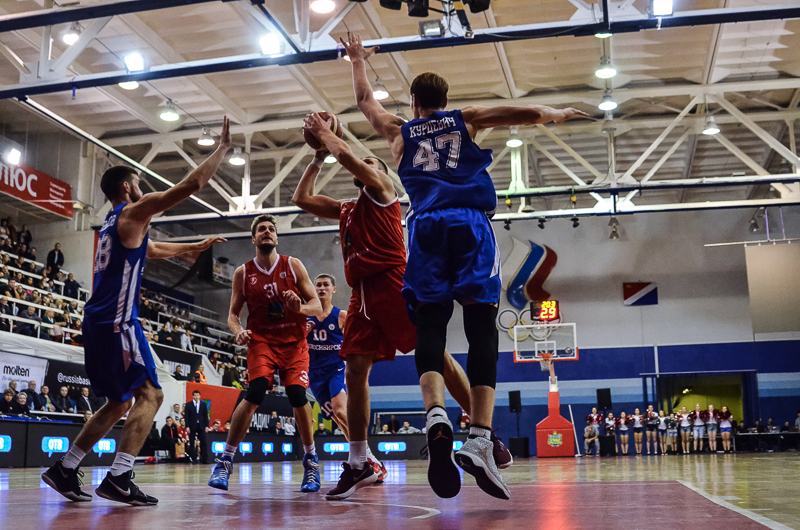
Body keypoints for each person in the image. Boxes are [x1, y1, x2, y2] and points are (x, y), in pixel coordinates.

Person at [339, 32, 586, 501]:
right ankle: (479, 437)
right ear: (445, 100)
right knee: (480, 326)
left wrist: (357, 61)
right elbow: (521, 112)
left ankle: (435, 415)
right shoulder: (465, 118)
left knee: (430, 325)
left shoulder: (399, 132)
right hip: (469, 223)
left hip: (425, 226)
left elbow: (365, 102)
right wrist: (553, 112)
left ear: (414, 102)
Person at [296, 113, 500, 502]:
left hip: (392, 283)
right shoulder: (347, 208)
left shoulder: (383, 190)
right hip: (361, 294)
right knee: (355, 370)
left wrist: (328, 136)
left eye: (372, 162)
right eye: (366, 163)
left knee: (436, 357)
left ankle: (485, 433)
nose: (367, 164)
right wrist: (318, 157)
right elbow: (301, 199)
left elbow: (351, 159)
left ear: (380, 172)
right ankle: (360, 461)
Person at [40, 116, 231, 506]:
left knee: (119, 402)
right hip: (117, 322)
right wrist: (222, 149)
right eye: (139, 182)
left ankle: (65, 468)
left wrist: (192, 247)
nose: (143, 188)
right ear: (127, 187)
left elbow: (151, 250)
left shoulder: (113, 223)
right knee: (152, 395)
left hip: (96, 321)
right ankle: (120, 476)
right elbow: (191, 185)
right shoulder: (135, 210)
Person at [207, 214, 323, 494]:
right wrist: (238, 331)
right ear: (253, 238)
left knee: (297, 394)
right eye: (262, 229)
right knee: (256, 391)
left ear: (277, 237)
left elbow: (316, 306)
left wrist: (299, 308)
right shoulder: (243, 273)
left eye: (272, 228)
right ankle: (225, 461)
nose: (267, 231)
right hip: (262, 342)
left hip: (294, 343)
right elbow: (233, 315)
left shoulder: (293, 265)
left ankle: (311, 461)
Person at [304, 273, 387, 481]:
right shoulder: (305, 317)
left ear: (333, 290)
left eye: (325, 285)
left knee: (341, 409)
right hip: (315, 374)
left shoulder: (341, 316)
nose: (321, 288)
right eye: (318, 285)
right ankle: (364, 459)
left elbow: (357, 339)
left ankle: (370, 459)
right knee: (337, 417)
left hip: (335, 370)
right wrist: (301, 333)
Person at [185, 390, 210, 464]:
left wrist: (206, 426)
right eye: (195, 395)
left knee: (203, 442)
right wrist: (187, 426)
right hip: (192, 425)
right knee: (192, 442)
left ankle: (204, 458)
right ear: (193, 396)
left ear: (200, 396)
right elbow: (186, 416)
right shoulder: (188, 405)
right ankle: (193, 458)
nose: (196, 396)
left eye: (198, 395)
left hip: (201, 425)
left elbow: (205, 416)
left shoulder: (203, 404)